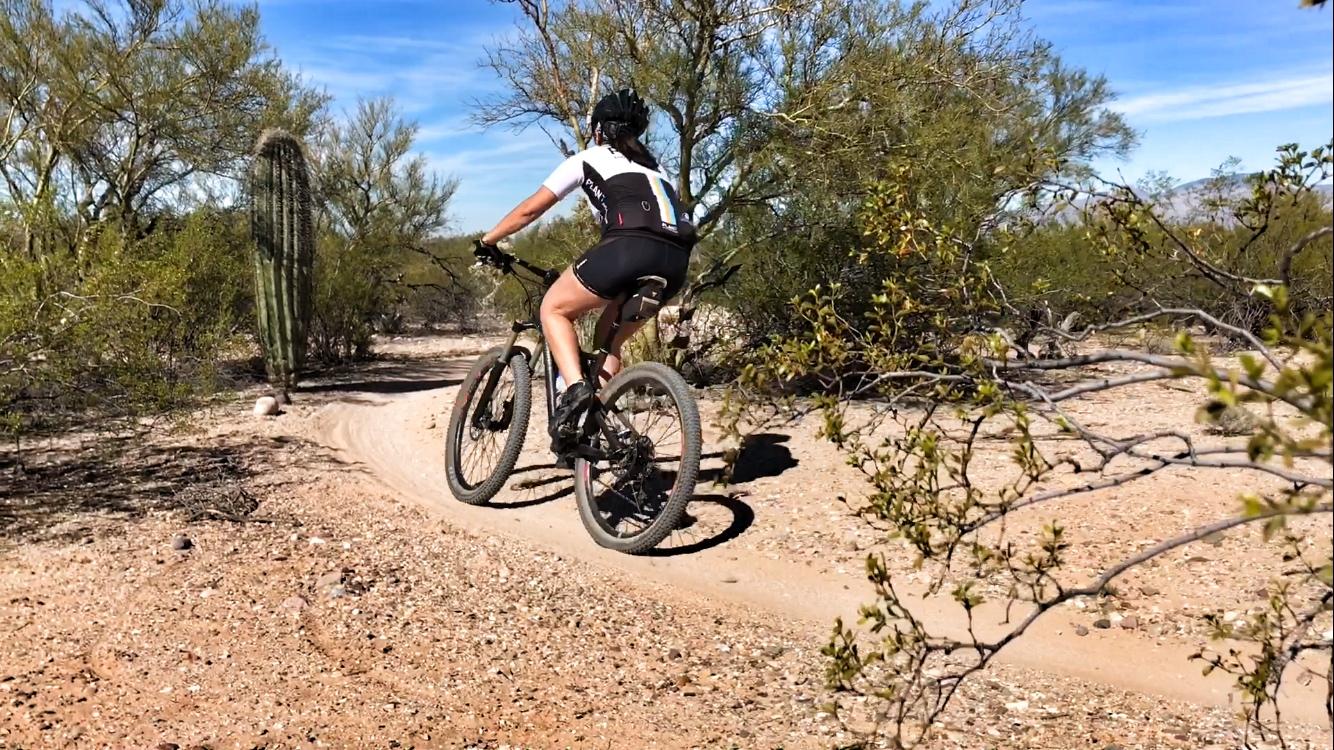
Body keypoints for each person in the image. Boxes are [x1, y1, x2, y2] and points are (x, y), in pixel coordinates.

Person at [474, 89, 696, 454]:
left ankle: (575, 389)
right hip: (674, 263)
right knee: (609, 341)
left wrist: (488, 240)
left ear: (597, 131)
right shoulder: (659, 170)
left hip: (628, 249)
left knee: (553, 308)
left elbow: (531, 210)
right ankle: (597, 423)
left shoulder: (588, 158)